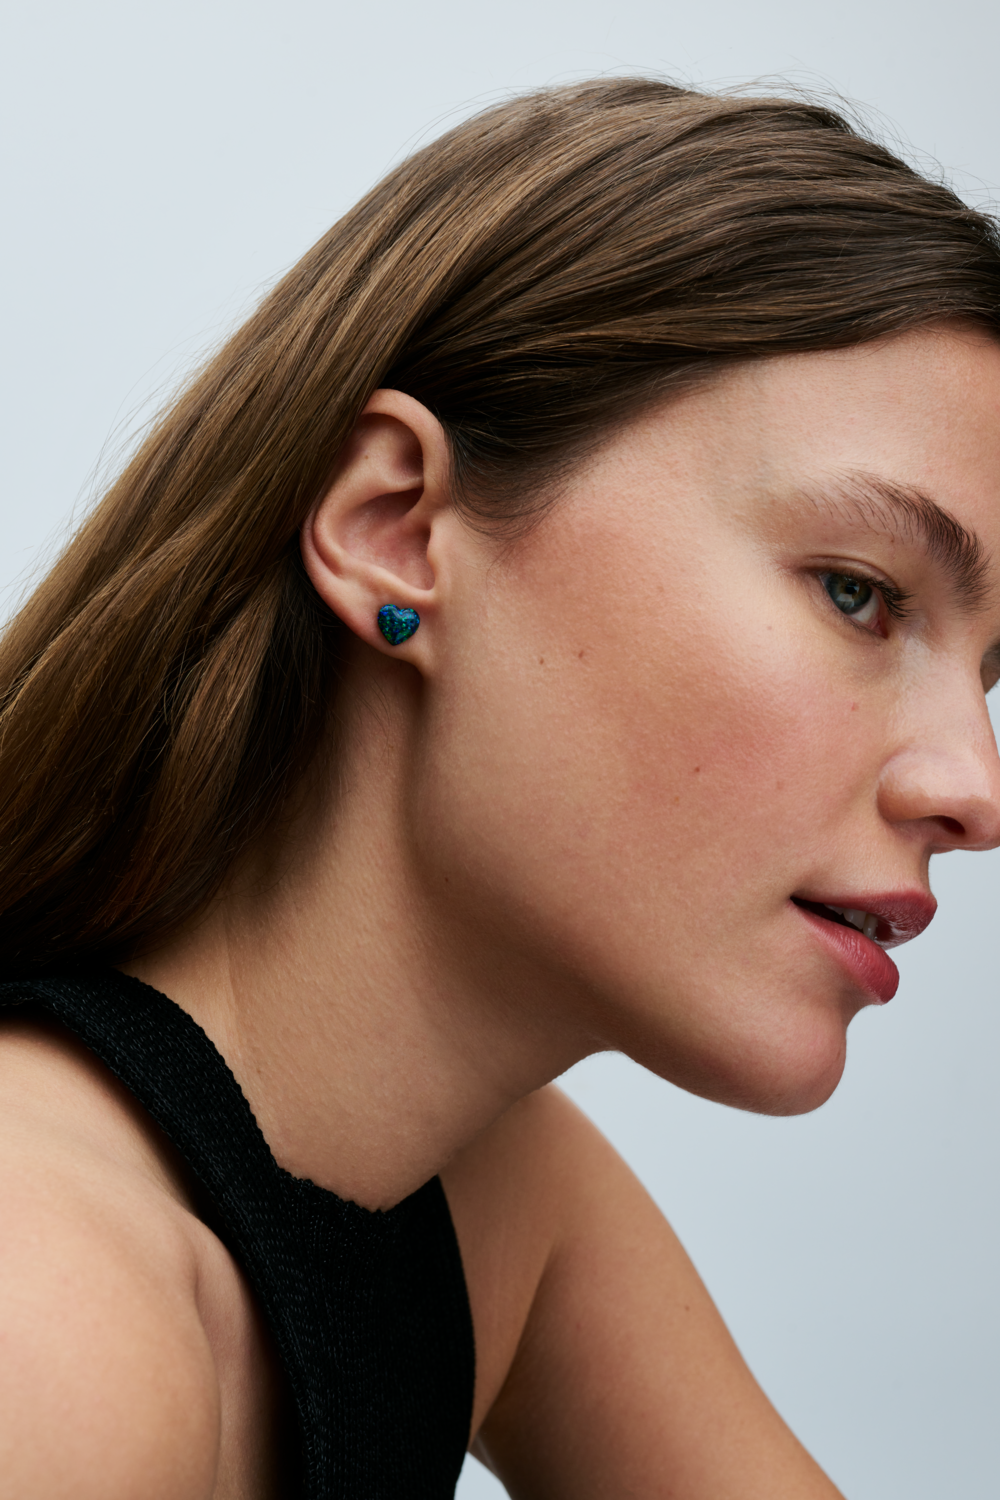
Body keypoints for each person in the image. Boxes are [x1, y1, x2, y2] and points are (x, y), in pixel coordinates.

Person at [2, 74, 999, 1499]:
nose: (976, 788)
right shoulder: (44, 1311)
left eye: (991, 673)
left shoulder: (491, 1208)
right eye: (860, 592)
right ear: (397, 529)